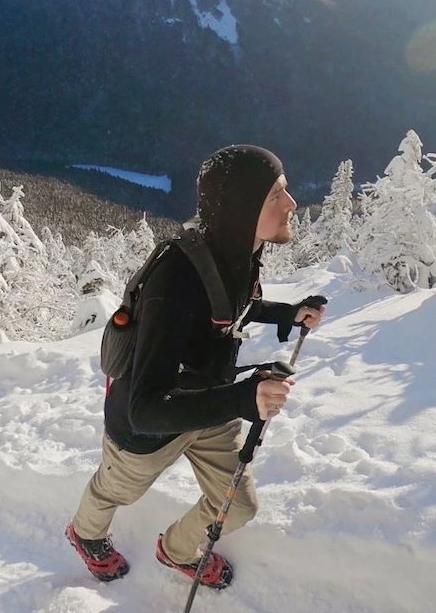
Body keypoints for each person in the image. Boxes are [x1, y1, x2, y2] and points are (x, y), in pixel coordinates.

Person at [65, 144, 325, 589]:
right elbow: (146, 410)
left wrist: (286, 313)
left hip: (208, 404)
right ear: (243, 209)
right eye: (274, 195)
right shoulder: (176, 279)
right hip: (148, 426)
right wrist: (244, 398)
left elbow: (232, 306)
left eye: (285, 190)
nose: (291, 203)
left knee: (237, 506)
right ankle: (86, 535)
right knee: (118, 490)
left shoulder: (235, 251)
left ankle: (178, 549)